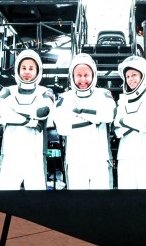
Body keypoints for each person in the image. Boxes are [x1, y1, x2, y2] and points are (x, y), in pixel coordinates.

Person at [0, 49, 56, 190]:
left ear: (38, 70)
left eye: (31, 68)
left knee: (37, 200)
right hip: (10, 154)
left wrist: (12, 113)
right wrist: (30, 122)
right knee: (4, 198)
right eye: (23, 68)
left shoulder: (46, 91)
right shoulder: (7, 90)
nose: (27, 72)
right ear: (18, 69)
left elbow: (42, 111)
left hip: (35, 156)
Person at [53, 53, 115, 189]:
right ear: (72, 76)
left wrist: (78, 112)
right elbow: (62, 127)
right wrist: (93, 119)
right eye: (78, 75)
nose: (82, 79)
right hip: (75, 161)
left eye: (86, 75)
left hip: (100, 160)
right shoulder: (64, 97)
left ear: (93, 75)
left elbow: (108, 115)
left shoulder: (103, 94)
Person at [112, 55, 146, 189]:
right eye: (128, 76)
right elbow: (116, 129)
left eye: (134, 75)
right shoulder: (122, 101)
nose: (130, 79)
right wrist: (137, 120)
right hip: (125, 156)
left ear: (143, 75)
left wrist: (124, 121)